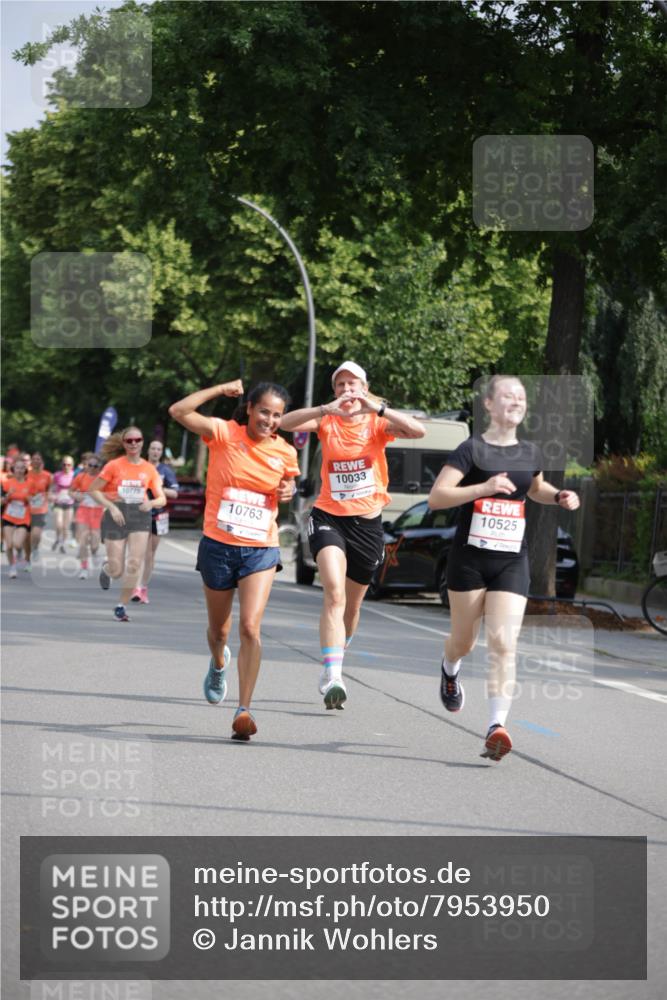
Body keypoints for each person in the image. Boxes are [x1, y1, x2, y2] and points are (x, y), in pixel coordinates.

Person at [428, 374, 580, 762]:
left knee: (503, 642)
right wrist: (482, 488)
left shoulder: (530, 451)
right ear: (490, 406)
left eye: (521, 397)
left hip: (512, 559)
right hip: (469, 561)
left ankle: (496, 726)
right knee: (463, 640)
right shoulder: (470, 449)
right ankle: (450, 666)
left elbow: (534, 487)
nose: (516, 402)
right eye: (508, 396)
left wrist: (558, 495)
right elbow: (437, 497)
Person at [280, 361, 425, 709]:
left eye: (353, 383)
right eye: (341, 384)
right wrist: (322, 409)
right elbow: (285, 424)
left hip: (367, 525)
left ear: (364, 386)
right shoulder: (327, 421)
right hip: (329, 515)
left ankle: (336, 655)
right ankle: (333, 674)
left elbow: (418, 431)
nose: (347, 389)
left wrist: (376, 405)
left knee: (352, 604)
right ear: (335, 390)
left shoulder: (378, 422)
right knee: (333, 591)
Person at [168, 380, 300, 741]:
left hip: (261, 548)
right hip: (219, 545)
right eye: (264, 412)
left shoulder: (286, 452)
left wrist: (290, 490)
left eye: (277, 415)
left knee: (250, 628)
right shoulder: (224, 433)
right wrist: (220, 389)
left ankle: (244, 709)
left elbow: (289, 487)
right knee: (220, 632)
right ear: (249, 409)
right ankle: (218, 662)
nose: (270, 420)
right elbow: (178, 411)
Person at [87, 427, 166, 621]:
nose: (133, 443)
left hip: (140, 517)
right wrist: (111, 507)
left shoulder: (149, 469)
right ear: (124, 444)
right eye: (129, 441)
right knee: (117, 570)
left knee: (135, 563)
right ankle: (107, 569)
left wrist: (151, 503)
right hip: (116, 516)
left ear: (142, 442)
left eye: (137, 440)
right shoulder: (114, 466)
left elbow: (161, 498)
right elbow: (93, 490)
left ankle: (121, 605)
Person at [131, 439, 180, 604]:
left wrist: (156, 488)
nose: (156, 452)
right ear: (148, 450)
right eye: (153, 448)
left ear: (161, 452)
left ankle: (143, 587)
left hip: (159, 514)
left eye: (159, 449)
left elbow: (174, 493)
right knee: (137, 551)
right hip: (140, 513)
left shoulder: (166, 470)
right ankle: (135, 587)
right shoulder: (140, 466)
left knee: (150, 554)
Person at [70, 454, 104, 579]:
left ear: (99, 467)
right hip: (84, 510)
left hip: (98, 512)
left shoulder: (103, 479)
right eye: (90, 465)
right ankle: (84, 568)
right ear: (86, 466)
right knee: (83, 540)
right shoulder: (81, 477)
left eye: (96, 466)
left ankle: (94, 552)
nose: (93, 468)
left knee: (95, 543)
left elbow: (112, 492)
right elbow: (71, 491)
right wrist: (76, 496)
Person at [1, 457, 37, 577]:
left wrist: (31, 499)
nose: (20, 470)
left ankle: (21, 554)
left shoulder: (31, 483)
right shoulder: (6, 483)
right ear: (13, 469)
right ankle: (12, 567)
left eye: (22, 468)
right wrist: (8, 496)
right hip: (8, 516)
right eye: (17, 467)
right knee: (9, 545)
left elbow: (37, 501)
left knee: (17, 544)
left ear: (25, 470)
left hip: (23, 517)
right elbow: (1, 501)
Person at [26, 452, 53, 561]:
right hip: (27, 507)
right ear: (31, 461)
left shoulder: (47, 475)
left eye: (38, 459)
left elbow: (49, 490)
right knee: (27, 534)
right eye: (34, 459)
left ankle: (35, 548)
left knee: (36, 533)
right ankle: (26, 553)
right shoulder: (26, 474)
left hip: (41, 507)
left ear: (42, 461)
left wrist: (49, 496)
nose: (36, 461)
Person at [50, 456, 76, 553]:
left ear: (72, 465)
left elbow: (79, 488)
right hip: (58, 503)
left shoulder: (74, 475)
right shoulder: (57, 475)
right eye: (64, 464)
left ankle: (62, 543)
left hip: (69, 503)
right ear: (62, 465)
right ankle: (57, 538)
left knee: (66, 527)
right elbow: (52, 488)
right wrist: (52, 495)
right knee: (58, 524)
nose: (66, 466)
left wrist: (76, 495)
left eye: (68, 464)